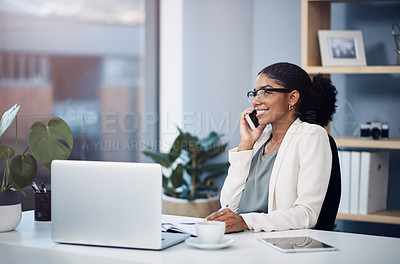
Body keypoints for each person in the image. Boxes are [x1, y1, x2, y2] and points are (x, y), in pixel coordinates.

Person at [206, 62, 337, 233]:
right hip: (242, 240)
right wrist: (246, 145)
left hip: (277, 246)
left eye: (265, 92)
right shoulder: (259, 141)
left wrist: (245, 222)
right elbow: (228, 204)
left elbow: (306, 214)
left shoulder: (311, 136)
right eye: (254, 93)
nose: (255, 101)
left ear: (292, 98)